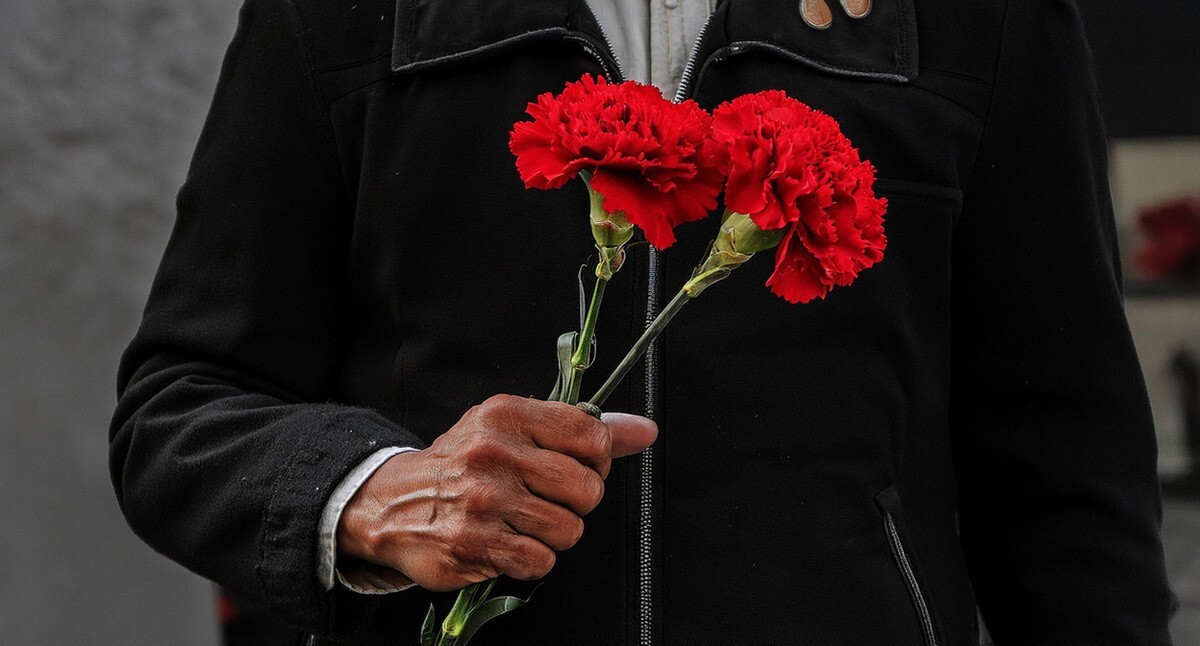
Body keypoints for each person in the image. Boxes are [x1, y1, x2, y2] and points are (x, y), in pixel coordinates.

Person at [109, 0, 1176, 643]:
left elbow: (1069, 486)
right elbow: (178, 410)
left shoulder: (983, 19)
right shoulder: (343, 12)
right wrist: (374, 490)